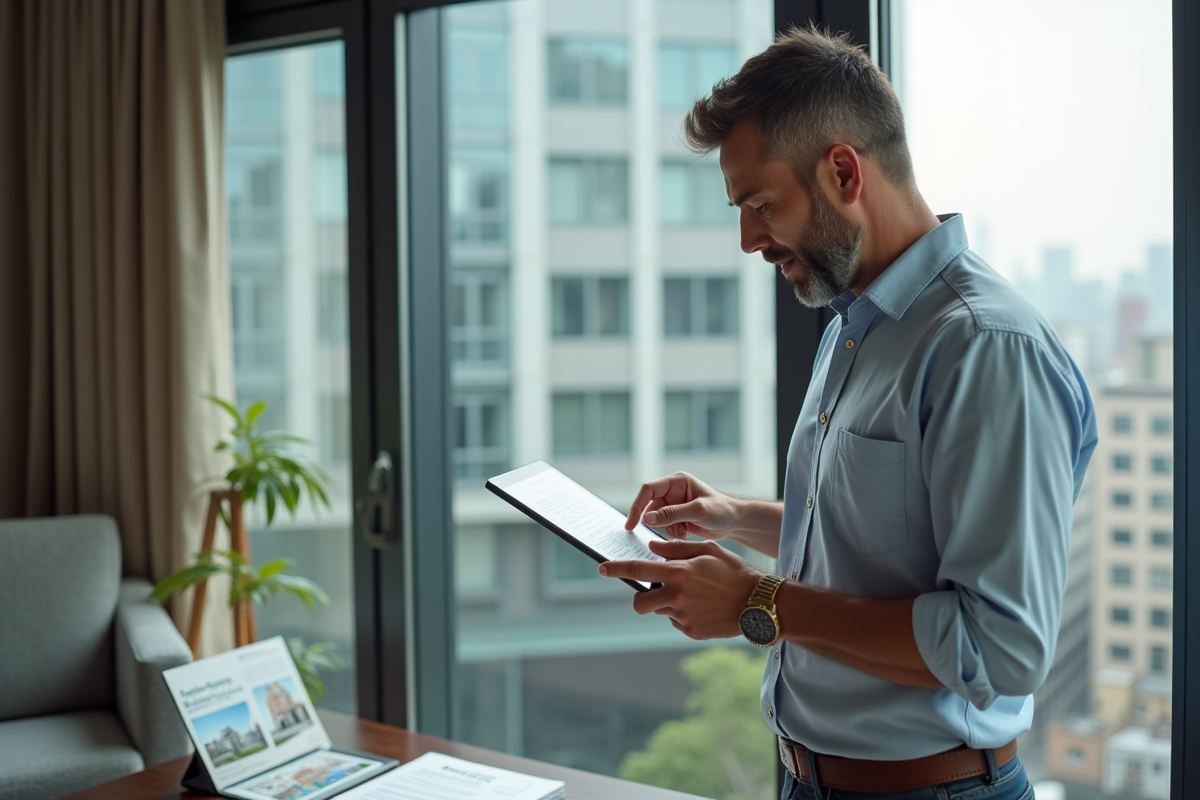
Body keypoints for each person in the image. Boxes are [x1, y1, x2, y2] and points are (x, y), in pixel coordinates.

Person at [597, 25, 1097, 800]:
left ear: (841, 172)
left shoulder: (985, 348)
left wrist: (757, 602)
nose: (746, 239)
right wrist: (734, 516)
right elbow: (875, 535)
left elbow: (1000, 648)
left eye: (760, 204)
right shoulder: (854, 325)